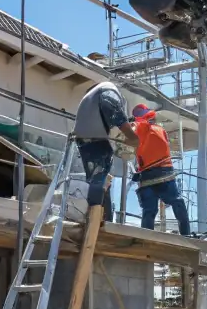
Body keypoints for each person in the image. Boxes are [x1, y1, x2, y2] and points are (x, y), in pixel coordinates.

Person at [72, 81, 140, 221]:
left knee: (100, 180)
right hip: (96, 139)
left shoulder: (92, 94)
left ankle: (103, 217)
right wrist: (132, 136)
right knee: (99, 180)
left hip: (83, 141)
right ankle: (95, 218)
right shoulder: (109, 89)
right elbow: (112, 108)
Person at [130, 104, 191, 236]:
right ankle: (186, 234)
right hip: (164, 173)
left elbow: (133, 133)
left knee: (149, 210)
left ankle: (146, 238)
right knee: (177, 202)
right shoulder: (159, 129)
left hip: (147, 176)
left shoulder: (139, 127)